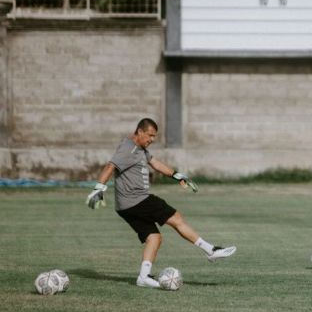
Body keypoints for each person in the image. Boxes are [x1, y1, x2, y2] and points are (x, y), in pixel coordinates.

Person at [86, 118, 236, 288]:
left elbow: (155, 163)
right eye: (149, 135)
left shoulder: (141, 149)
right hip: (138, 200)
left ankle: (144, 277)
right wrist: (98, 189)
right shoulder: (129, 147)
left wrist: (177, 175)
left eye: (154, 137)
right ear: (140, 131)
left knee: (154, 237)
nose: (151, 139)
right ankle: (211, 250)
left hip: (126, 207)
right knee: (177, 218)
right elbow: (110, 166)